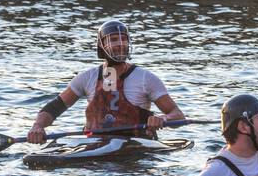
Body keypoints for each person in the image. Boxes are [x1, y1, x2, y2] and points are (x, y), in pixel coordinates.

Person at [27, 19, 185, 143]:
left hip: (135, 147)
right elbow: (54, 107)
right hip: (96, 144)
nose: (120, 45)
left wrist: (163, 118)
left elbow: (178, 115)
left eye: (123, 39)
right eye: (113, 40)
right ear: (101, 46)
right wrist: (38, 126)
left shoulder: (146, 78)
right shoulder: (87, 77)